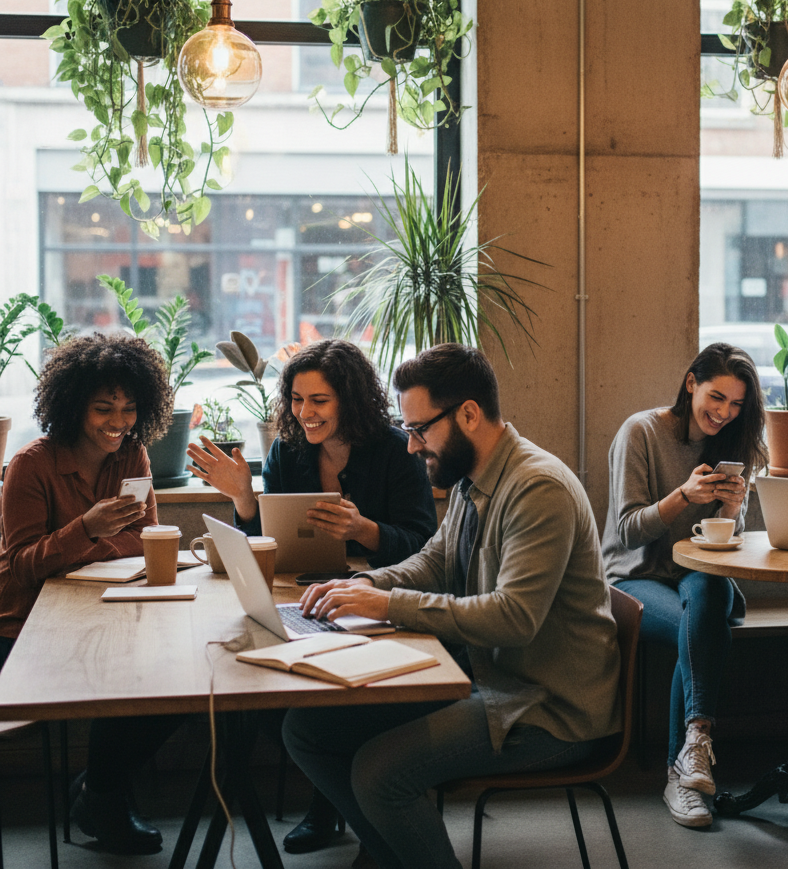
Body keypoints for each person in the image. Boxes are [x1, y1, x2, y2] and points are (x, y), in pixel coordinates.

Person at [281, 343, 621, 869]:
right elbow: (432, 562)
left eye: (420, 430)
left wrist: (386, 603)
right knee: (306, 730)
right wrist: (361, 585)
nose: (412, 447)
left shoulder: (537, 488)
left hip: (545, 709)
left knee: (379, 773)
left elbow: (514, 618)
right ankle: (394, 854)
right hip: (485, 678)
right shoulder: (471, 476)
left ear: (468, 413)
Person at [187, 337, 436, 854]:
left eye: (318, 401)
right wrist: (244, 499)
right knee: (271, 697)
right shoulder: (289, 448)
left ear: (349, 398)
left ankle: (342, 811)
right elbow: (268, 543)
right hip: (308, 596)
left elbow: (424, 547)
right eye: (297, 400)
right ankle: (338, 802)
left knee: (339, 705)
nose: (304, 413)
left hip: (381, 603)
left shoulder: (396, 449)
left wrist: (365, 530)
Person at [0, 333, 179, 855]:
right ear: (74, 405)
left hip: (110, 612)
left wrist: (94, 541)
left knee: (179, 683)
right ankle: (104, 799)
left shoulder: (133, 455)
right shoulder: (30, 466)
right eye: (104, 408)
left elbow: (147, 539)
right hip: (27, 626)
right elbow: (23, 566)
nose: (118, 422)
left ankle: (98, 789)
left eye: (128, 409)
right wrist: (89, 529)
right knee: (120, 678)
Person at [602, 341, 767, 828]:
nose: (724, 413)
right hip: (635, 576)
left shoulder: (732, 444)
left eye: (737, 405)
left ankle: (691, 754)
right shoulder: (641, 432)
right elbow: (630, 530)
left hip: (696, 575)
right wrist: (682, 496)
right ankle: (686, 770)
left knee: (710, 592)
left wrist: (732, 512)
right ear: (691, 382)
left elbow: (719, 544)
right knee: (695, 627)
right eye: (716, 397)